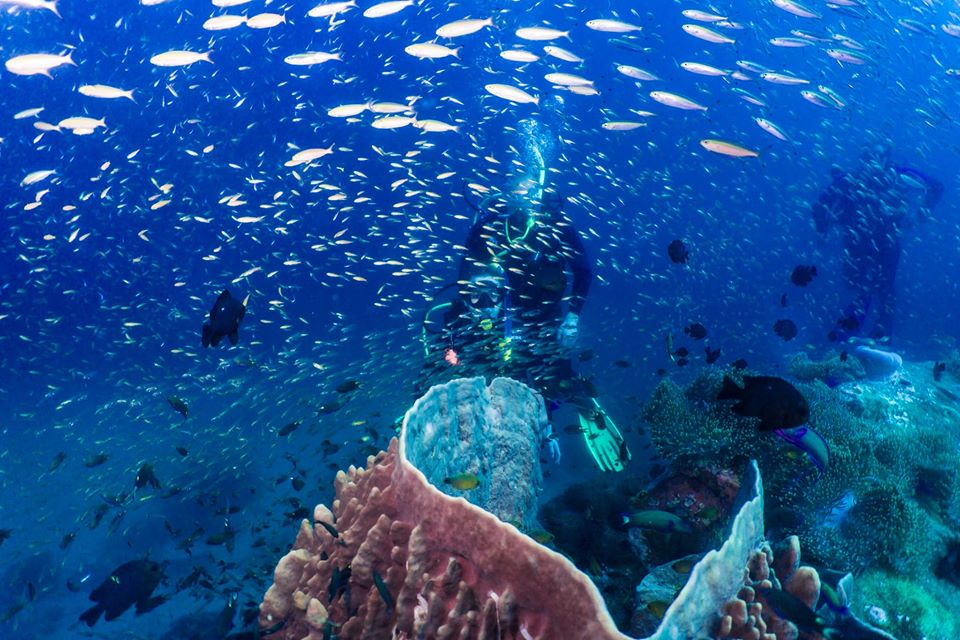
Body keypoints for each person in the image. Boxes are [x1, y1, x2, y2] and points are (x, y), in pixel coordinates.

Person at [418, 186, 630, 472]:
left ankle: (581, 405)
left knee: (555, 372)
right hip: (500, 305)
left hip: (545, 311)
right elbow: (465, 283)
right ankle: (509, 422)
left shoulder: (557, 226)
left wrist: (573, 317)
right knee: (499, 367)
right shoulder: (487, 228)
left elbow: (584, 270)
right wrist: (475, 316)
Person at [812, 144, 943, 341]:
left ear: (885, 159)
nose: (870, 162)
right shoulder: (851, 179)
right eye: (866, 157)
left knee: (885, 287)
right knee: (853, 283)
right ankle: (850, 331)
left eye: (874, 156)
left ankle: (881, 337)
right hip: (856, 243)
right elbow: (821, 204)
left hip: (887, 242)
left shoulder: (898, 175)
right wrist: (823, 229)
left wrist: (919, 215)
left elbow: (937, 187)